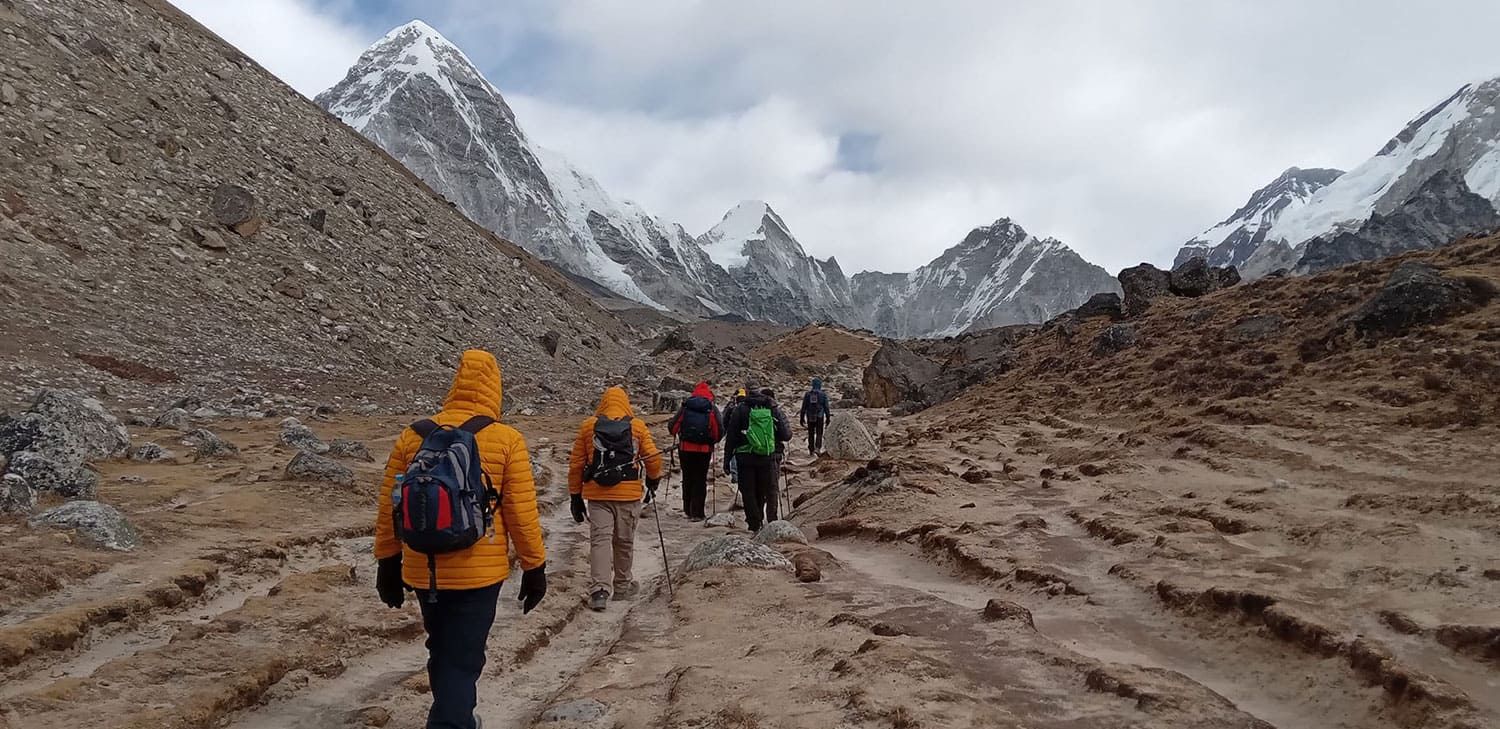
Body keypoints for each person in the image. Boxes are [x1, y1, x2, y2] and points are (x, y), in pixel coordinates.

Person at [374, 349, 547, 729]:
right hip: (478, 572)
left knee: (441, 646)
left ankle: (456, 715)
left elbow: (391, 503)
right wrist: (535, 566)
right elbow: (520, 511)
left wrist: (387, 561)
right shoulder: (505, 438)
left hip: (422, 565)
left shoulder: (413, 435)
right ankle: (452, 722)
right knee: (464, 656)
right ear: (495, 388)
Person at [568, 386, 664, 611]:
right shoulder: (637, 426)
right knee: (624, 540)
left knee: (600, 540)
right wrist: (653, 481)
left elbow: (576, 465)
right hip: (629, 493)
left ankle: (599, 591)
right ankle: (622, 585)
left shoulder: (588, 427)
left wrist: (575, 496)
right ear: (626, 403)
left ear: (603, 403)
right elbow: (653, 459)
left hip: (597, 494)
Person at [724, 386, 791, 532]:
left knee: (748, 491)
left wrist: (727, 459)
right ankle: (766, 519)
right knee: (763, 490)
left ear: (747, 394)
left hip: (744, 457)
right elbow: (786, 435)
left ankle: (754, 523)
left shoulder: (740, 409)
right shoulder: (771, 407)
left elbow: (731, 436)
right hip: (767, 456)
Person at [668, 381, 723, 520]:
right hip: (704, 450)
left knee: (687, 477)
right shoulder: (711, 407)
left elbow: (673, 426)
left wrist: (679, 435)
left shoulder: (686, 406)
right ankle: (698, 513)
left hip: (685, 448)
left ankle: (687, 509)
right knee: (700, 479)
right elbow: (719, 430)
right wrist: (712, 441)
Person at [798, 377, 832, 456]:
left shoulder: (807, 394)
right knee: (819, 433)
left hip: (810, 416)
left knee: (811, 433)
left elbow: (803, 407)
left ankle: (811, 450)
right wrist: (828, 418)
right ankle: (817, 448)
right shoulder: (823, 395)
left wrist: (802, 418)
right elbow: (826, 407)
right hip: (820, 416)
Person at [722, 388, 748, 485]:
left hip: (732, 434)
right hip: (746, 436)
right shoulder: (749, 407)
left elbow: (724, 419)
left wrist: (722, 434)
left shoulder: (732, 407)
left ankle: (735, 475)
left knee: (733, 454)